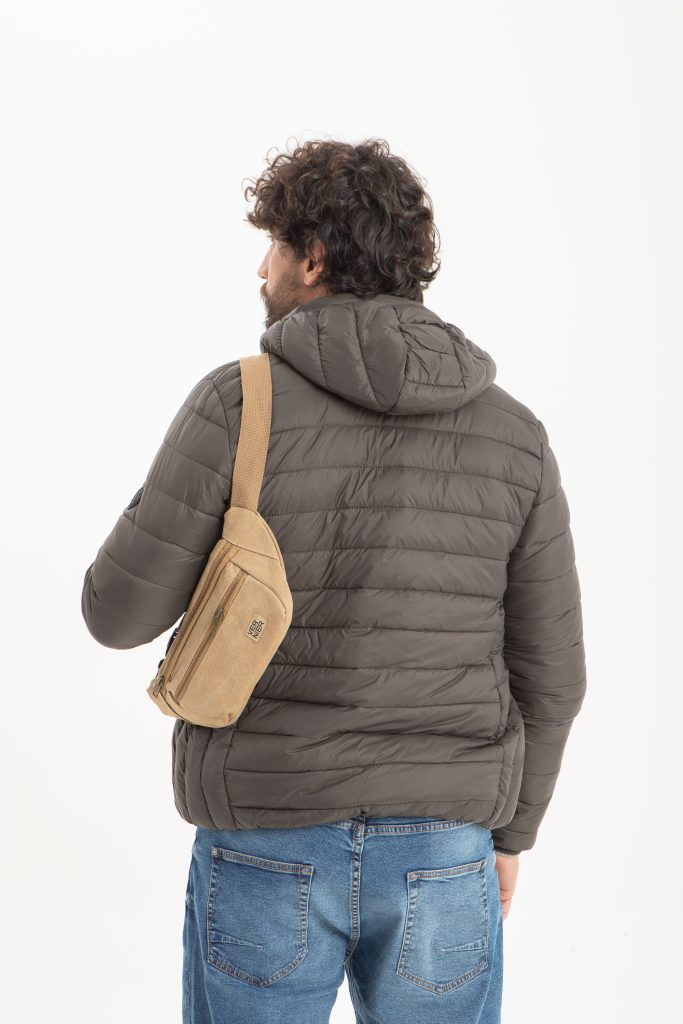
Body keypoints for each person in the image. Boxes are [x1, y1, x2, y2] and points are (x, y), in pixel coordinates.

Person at [81, 137, 587, 1024]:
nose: (261, 268)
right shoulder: (514, 435)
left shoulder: (237, 402)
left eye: (273, 246)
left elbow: (115, 614)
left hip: (266, 830)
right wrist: (511, 835)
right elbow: (553, 673)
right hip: (446, 845)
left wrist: (182, 494)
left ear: (313, 259)